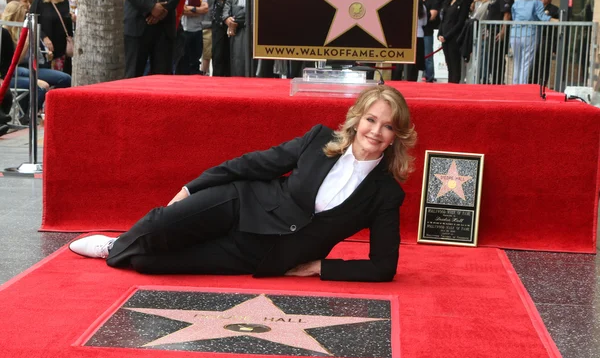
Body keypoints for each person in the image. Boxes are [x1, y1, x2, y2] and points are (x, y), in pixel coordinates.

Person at [69, 85, 418, 282]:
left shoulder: (386, 192)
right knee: (159, 224)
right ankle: (115, 246)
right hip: (242, 203)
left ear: (395, 136)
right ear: (357, 120)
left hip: (265, 254)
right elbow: (255, 163)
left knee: (151, 264)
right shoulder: (318, 139)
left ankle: (127, 250)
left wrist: (320, 266)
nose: (375, 131)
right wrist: (194, 186)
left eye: (387, 126)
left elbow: (384, 266)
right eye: (371, 119)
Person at [123, 0, 185, 78]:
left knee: (162, 79)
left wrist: (162, 10)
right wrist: (151, 7)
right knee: (133, 76)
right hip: (137, 21)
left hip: (165, 26)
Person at [510, 0, 553, 84]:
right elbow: (542, 17)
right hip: (529, 34)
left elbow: (513, 16)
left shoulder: (517, 2)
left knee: (517, 63)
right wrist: (556, 20)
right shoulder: (537, 3)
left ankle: (514, 86)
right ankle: (522, 87)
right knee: (526, 64)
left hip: (515, 33)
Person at [29, 0, 73, 74]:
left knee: (64, 79)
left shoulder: (65, 1)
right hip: (46, 49)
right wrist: (44, 37)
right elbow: (31, 22)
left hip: (62, 50)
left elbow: (67, 24)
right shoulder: (39, 1)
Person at [482, 0, 514, 84]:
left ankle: (498, 82)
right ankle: (494, 81)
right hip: (491, 32)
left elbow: (507, 15)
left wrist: (503, 31)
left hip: (498, 33)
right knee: (492, 60)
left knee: (497, 60)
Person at [438, 0, 470, 84]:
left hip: (454, 37)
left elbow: (460, 23)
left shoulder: (463, 3)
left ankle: (455, 84)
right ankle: (450, 83)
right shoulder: (446, 2)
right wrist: (440, 34)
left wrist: (447, 36)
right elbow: (442, 20)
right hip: (444, 37)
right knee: (449, 64)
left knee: (455, 63)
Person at [529, 0, 559, 85]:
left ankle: (542, 84)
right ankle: (531, 83)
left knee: (544, 64)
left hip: (547, 39)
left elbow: (556, 26)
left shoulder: (554, 9)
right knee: (534, 63)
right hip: (535, 39)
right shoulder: (537, 7)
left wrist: (554, 46)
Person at [175, 0, 208, 75]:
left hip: (197, 30)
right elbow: (182, 9)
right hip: (185, 30)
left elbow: (205, 9)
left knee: (196, 58)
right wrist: (197, 9)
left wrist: (190, 9)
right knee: (183, 58)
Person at [223, 0, 248, 77]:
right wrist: (227, 19)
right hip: (236, 32)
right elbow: (227, 6)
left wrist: (234, 20)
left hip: (248, 30)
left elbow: (249, 10)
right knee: (237, 60)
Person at [421, 0, 439, 83]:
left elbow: (432, 17)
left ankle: (429, 76)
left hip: (427, 32)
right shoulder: (416, 0)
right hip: (416, 33)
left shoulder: (433, 1)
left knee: (428, 56)